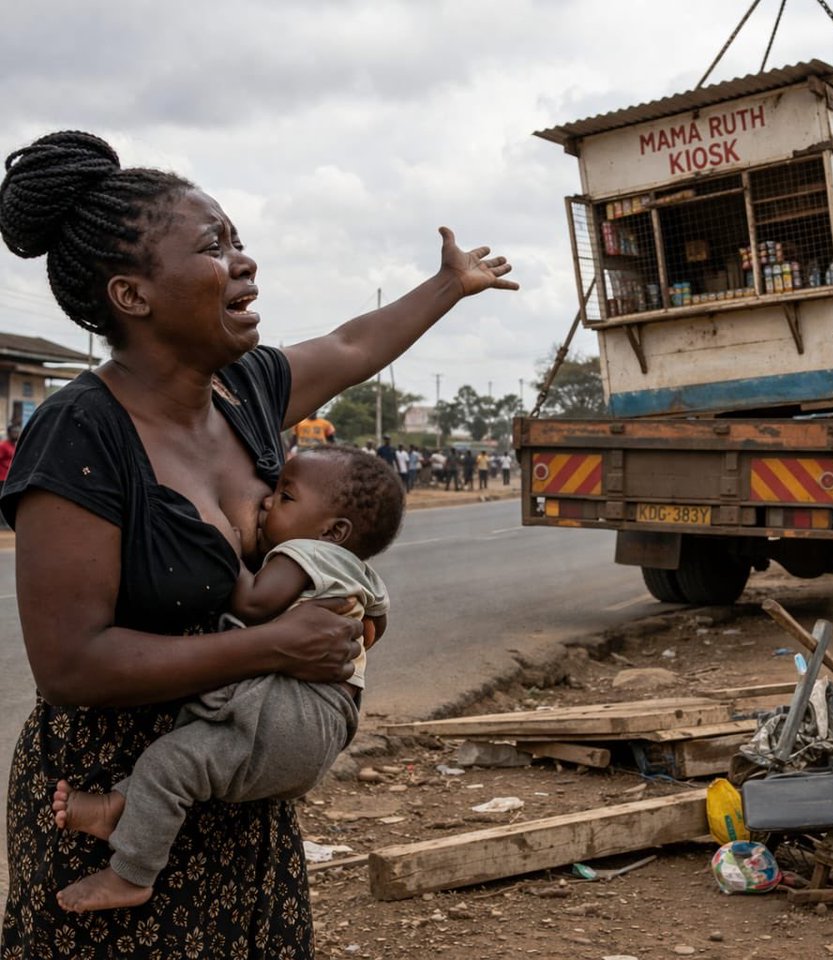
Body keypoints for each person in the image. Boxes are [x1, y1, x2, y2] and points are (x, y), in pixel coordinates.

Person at [0, 129, 515, 955]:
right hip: (109, 804)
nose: (245, 262)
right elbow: (71, 663)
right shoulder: (78, 433)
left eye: (238, 240)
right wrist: (273, 646)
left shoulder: (244, 389)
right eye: (214, 246)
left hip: (239, 797)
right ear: (133, 295)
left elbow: (351, 347)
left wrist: (449, 285)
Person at [52, 445, 402, 912]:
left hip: (292, 714)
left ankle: (131, 873)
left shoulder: (305, 553)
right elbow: (374, 627)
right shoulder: (357, 570)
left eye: (286, 496)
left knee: (174, 756)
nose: (266, 502)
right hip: (324, 727)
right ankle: (117, 809)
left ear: (332, 531)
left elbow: (254, 602)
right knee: (191, 757)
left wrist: (217, 543)